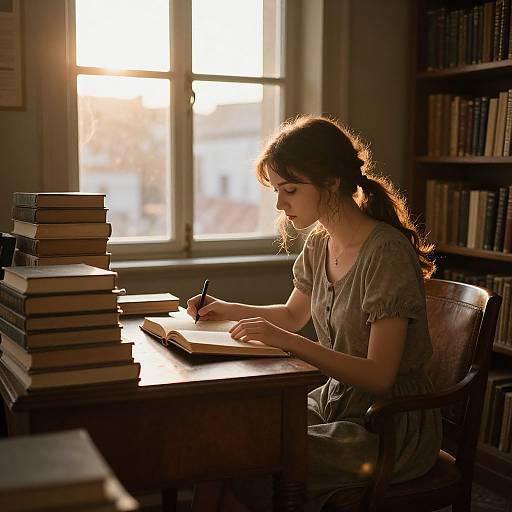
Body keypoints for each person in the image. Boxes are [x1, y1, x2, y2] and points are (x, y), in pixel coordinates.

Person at [187, 115, 442, 512]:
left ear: (332, 182)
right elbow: (291, 315)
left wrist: (289, 344)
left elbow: (379, 375)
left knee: (247, 459)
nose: (279, 203)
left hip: (386, 426)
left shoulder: (386, 254)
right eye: (275, 190)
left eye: (289, 189)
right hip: (335, 402)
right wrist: (227, 309)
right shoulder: (321, 243)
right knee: (232, 435)